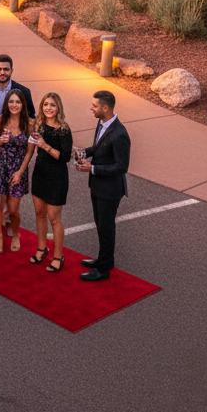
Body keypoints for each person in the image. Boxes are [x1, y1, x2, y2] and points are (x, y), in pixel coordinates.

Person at [76, 91, 130, 282]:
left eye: (94, 105)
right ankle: (103, 259)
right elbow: (98, 148)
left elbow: (122, 166)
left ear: (105, 108)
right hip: (98, 187)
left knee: (106, 228)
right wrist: (83, 152)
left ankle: (104, 269)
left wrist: (93, 168)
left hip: (110, 190)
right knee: (101, 226)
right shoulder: (102, 123)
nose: (91, 108)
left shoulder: (120, 134)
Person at [0, 54, 35, 231]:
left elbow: (31, 117)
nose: (2, 72)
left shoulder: (23, 91)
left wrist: (22, 138)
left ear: (11, 70)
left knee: (13, 183)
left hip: (15, 148)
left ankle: (10, 219)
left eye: (5, 69)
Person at [29, 93, 73, 272]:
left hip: (57, 177)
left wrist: (45, 145)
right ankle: (42, 248)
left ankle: (58, 256)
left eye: (52, 105)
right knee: (39, 214)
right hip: (39, 173)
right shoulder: (38, 123)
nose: (48, 108)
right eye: (45, 104)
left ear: (58, 108)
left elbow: (65, 157)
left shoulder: (63, 129)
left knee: (54, 218)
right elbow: (31, 147)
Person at [0, 91, 35, 253]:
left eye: (18, 102)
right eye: (11, 101)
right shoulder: (0, 120)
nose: (14, 105)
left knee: (14, 210)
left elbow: (30, 152)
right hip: (0, 167)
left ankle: (15, 234)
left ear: (23, 104)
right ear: (7, 103)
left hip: (18, 170)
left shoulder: (29, 123)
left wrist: (20, 172)